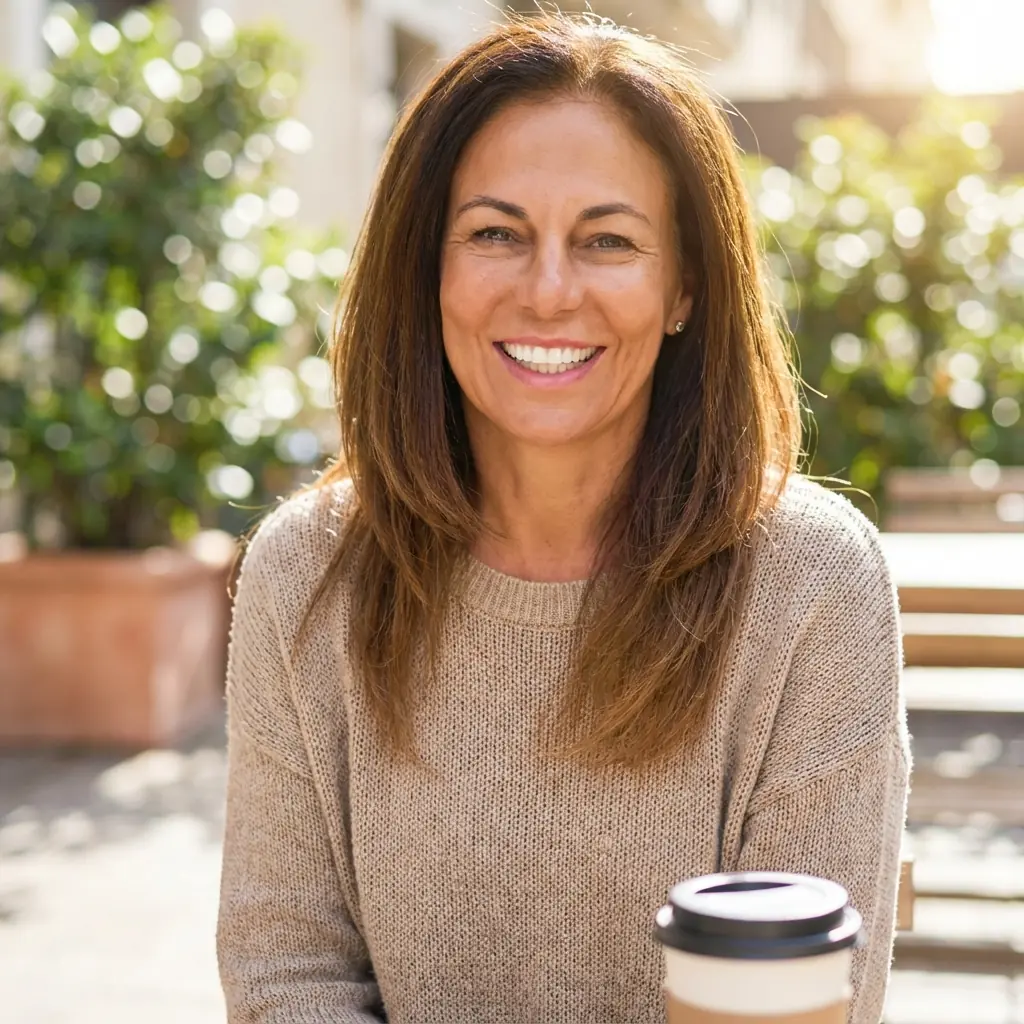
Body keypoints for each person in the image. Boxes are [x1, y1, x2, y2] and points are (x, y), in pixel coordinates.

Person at [216, 13, 910, 1024]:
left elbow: (801, 1000)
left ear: (682, 287)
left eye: (607, 241)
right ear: (429, 268)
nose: (548, 291)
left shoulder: (812, 584)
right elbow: (286, 975)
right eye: (496, 232)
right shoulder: (307, 573)